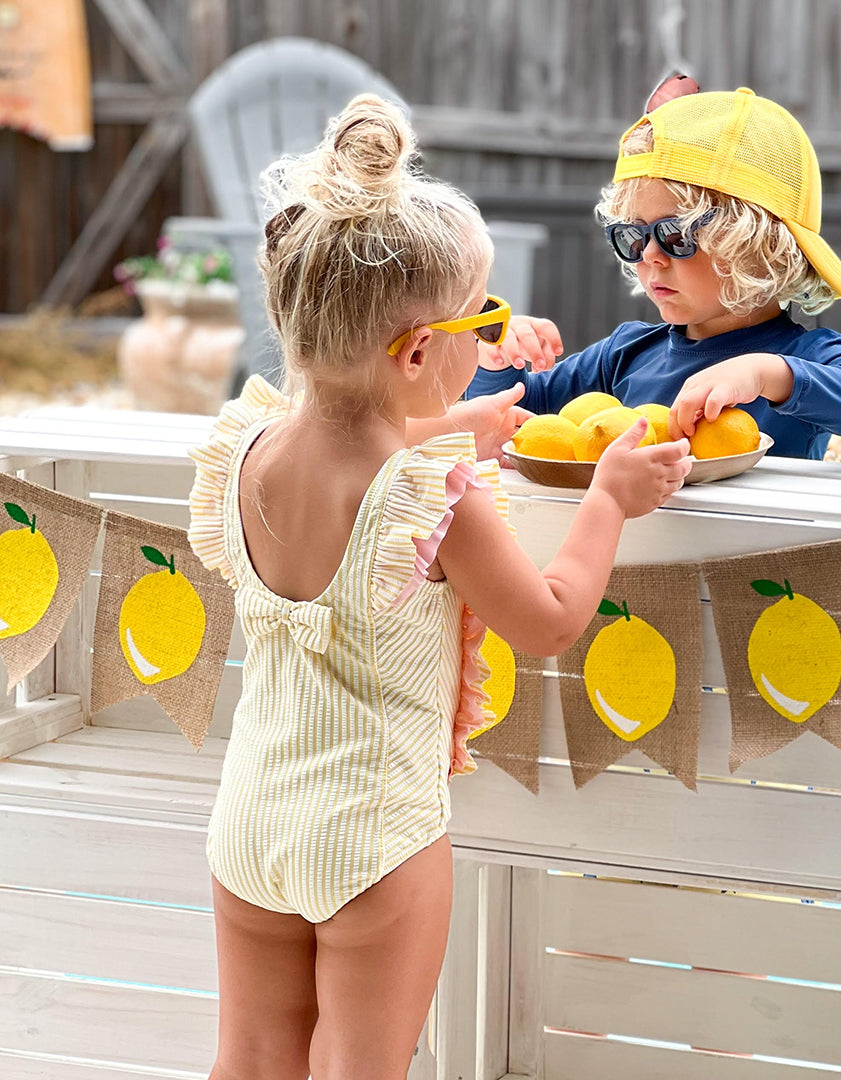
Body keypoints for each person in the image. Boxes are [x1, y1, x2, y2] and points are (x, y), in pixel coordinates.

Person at [186, 94, 690, 1080]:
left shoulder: (242, 452)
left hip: (249, 823)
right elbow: (546, 620)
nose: (494, 336)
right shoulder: (436, 498)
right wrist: (611, 502)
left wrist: (465, 417)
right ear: (422, 351)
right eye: (484, 318)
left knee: (249, 1063)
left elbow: (354, 441)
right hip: (375, 838)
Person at [467, 86, 841, 460]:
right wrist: (499, 363)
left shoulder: (805, 354)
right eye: (632, 236)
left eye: (675, 235)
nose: (649, 256)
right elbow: (513, 422)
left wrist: (770, 374)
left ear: (762, 249)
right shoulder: (624, 354)